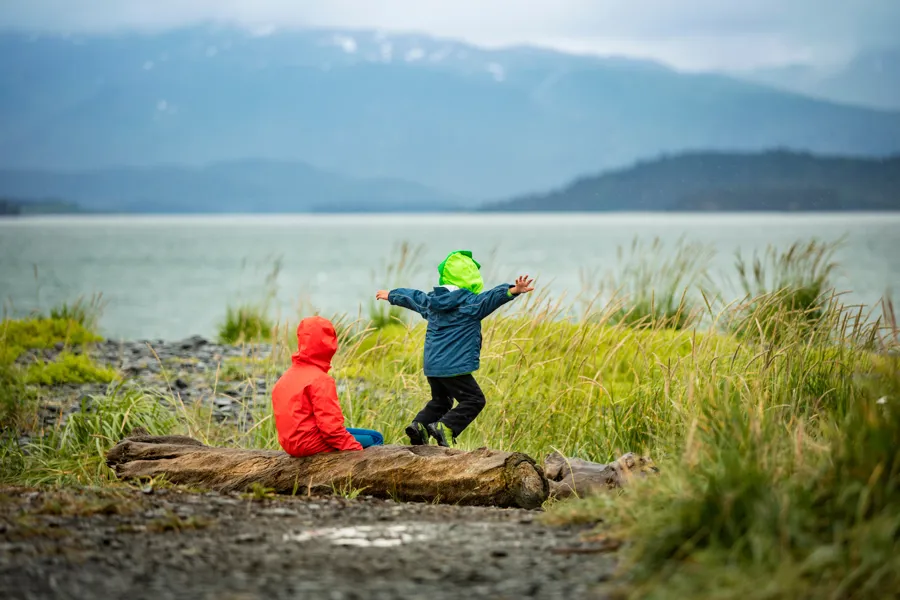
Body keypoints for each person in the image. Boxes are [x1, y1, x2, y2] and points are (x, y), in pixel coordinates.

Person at [375, 250, 535, 447]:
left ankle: (419, 426)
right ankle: (446, 427)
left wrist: (392, 295)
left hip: (433, 367)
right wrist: (513, 290)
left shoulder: (431, 302)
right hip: (454, 367)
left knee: (441, 401)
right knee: (474, 400)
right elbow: (491, 297)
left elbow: (413, 297)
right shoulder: (471, 303)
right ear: (471, 278)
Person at [272, 316, 383, 457]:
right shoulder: (321, 380)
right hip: (311, 445)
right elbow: (331, 430)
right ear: (328, 345)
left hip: (290, 445)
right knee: (375, 438)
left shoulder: (285, 378)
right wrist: (356, 451)